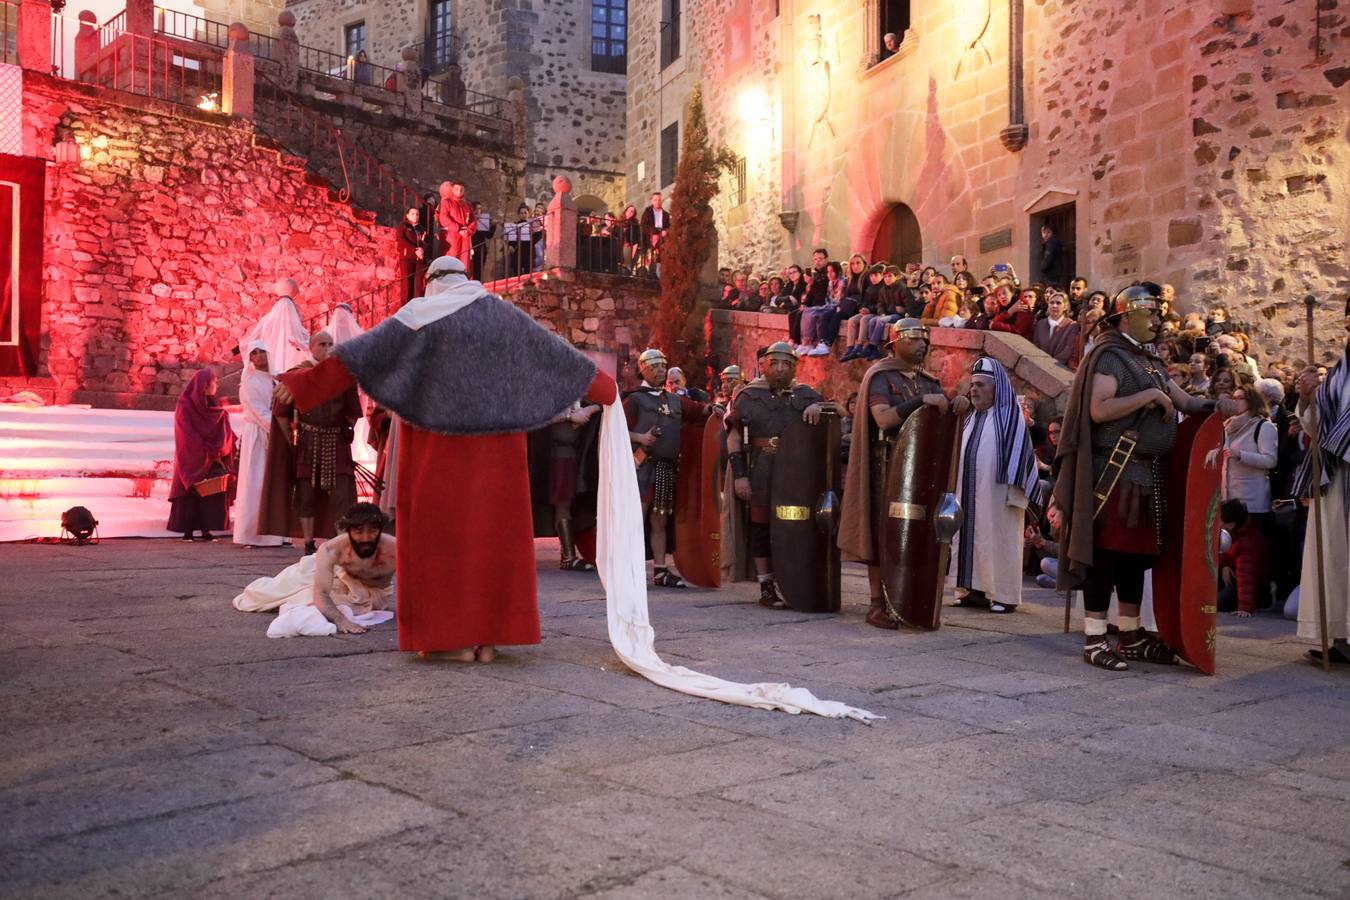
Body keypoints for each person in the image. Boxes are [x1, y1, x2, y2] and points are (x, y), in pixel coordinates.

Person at [272, 255, 618, 662]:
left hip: (438, 451)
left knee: (438, 542)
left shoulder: (417, 315)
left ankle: (449, 640)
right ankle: (489, 639)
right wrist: (608, 391)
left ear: (432, 283)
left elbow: (356, 359)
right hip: (499, 450)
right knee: (494, 539)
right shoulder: (502, 315)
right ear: (466, 281)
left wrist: (302, 383)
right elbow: (560, 359)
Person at [1054, 283, 1235, 670]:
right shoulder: (1108, 356)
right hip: (1114, 471)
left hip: (1145, 473)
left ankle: (1131, 635)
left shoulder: (1148, 361)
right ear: (1126, 316)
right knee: (1105, 556)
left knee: (1135, 560)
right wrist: (1148, 398)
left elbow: (1185, 402)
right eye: (1150, 314)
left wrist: (1219, 405)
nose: (1157, 320)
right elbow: (1100, 410)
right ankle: (1095, 638)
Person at [839, 319, 970, 629]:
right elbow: (883, 418)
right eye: (914, 340)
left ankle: (911, 597)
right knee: (881, 532)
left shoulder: (929, 381)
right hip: (885, 466)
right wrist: (919, 401)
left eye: (925, 340)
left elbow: (936, 422)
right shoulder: (881, 376)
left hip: (920, 469)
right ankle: (876, 604)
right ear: (895, 342)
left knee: (918, 533)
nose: (922, 345)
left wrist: (957, 405)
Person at [725, 342, 832, 608]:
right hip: (760, 468)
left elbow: (838, 413)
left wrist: (822, 409)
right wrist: (739, 475)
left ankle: (795, 581)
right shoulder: (748, 396)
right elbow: (734, 437)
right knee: (761, 527)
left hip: (796, 473)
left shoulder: (807, 395)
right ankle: (766, 586)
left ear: (795, 367)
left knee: (794, 526)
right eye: (775, 364)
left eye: (787, 364)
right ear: (764, 366)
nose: (781, 369)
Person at [259, 331, 362, 555]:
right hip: (308, 443)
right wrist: (291, 442)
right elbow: (281, 412)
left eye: (330, 344)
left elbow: (353, 411)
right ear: (312, 347)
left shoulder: (343, 375)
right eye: (322, 344)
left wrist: (346, 429)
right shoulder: (298, 375)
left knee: (341, 495)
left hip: (336, 443)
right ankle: (308, 543)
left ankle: (340, 542)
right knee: (306, 495)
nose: (326, 348)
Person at [952, 357, 1041, 613]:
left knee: (998, 540)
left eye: (980, 385)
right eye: (972, 385)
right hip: (968, 493)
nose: (974, 390)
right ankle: (972, 590)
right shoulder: (970, 419)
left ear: (996, 388)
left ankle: (1004, 595)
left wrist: (1017, 493)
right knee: (969, 538)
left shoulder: (1011, 419)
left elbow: (1022, 458)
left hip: (1000, 498)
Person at [232, 502, 396, 638]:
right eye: (359, 531)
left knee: (307, 599)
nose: (366, 538)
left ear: (381, 529)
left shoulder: (394, 549)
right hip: (333, 575)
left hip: (369, 593)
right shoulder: (332, 549)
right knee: (264, 594)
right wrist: (341, 620)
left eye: (372, 530)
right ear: (348, 531)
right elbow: (321, 592)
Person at [1291, 299, 1350, 665]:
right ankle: (1340, 635)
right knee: (1335, 557)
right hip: (1338, 479)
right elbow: (1317, 427)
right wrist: (1306, 395)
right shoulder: (1341, 373)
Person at [625, 348, 715, 588]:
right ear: (643, 369)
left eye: (661, 365)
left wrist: (713, 409)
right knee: (636, 519)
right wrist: (640, 437)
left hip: (665, 467)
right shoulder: (634, 399)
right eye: (653, 366)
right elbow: (614, 431)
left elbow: (698, 411)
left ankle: (661, 570)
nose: (659, 370)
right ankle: (629, 569)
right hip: (641, 465)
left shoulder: (673, 399)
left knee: (660, 521)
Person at [167, 369, 236, 542]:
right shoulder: (185, 405)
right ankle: (188, 531)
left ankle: (206, 530)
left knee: (209, 494)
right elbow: (186, 432)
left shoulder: (214, 406)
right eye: (214, 382)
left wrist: (219, 448)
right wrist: (206, 448)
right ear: (205, 386)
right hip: (192, 456)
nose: (217, 385)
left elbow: (223, 428)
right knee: (191, 493)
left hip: (211, 457)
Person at [232, 342, 286, 548]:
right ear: (250, 358)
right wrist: (279, 429)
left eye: (262, 351)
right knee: (256, 481)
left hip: (275, 430)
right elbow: (258, 411)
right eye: (254, 353)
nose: (259, 356)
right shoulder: (250, 381)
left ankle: (277, 532)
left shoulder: (277, 378)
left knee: (275, 481)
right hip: (259, 433)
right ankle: (252, 533)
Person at [1217, 499, 1269, 618]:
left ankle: (1259, 601)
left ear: (1231, 524)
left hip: (1253, 586)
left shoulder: (1248, 542)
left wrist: (1245, 608)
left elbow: (1246, 576)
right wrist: (1225, 564)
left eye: (1219, 520)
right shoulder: (1228, 533)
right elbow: (1221, 552)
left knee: (1217, 602)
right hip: (1232, 577)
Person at [1032, 292, 1080, 367]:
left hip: (1058, 368)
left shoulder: (1072, 326)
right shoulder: (1040, 324)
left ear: (1065, 306)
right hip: (1038, 365)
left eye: (1058, 303)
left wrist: (1051, 365)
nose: (1054, 305)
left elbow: (1068, 350)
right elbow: (1035, 345)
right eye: (1051, 302)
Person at [436, 181, 475, 271]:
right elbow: (443, 218)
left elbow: (473, 221)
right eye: (456, 189)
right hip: (452, 235)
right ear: (452, 190)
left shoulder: (467, 205)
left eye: (461, 189)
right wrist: (458, 229)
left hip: (464, 237)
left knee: (464, 263)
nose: (459, 191)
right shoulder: (446, 202)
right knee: (451, 260)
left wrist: (468, 231)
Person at [398, 206, 426, 303]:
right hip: (407, 258)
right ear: (407, 215)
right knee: (407, 284)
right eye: (413, 214)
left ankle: (416, 307)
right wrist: (415, 250)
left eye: (417, 214)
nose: (415, 216)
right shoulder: (403, 225)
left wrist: (422, 249)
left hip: (419, 260)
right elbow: (401, 240)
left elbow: (426, 243)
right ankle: (405, 309)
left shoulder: (422, 229)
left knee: (418, 285)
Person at [639, 192, 668, 271]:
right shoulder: (647, 212)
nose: (657, 201)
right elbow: (644, 226)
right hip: (650, 237)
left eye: (659, 200)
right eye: (655, 200)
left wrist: (665, 231)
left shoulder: (666, 214)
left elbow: (668, 227)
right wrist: (655, 233)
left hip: (663, 239)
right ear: (652, 201)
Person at [504, 205, 534, 277]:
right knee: (516, 272)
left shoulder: (532, 224)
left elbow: (536, 237)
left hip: (528, 250)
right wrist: (510, 245)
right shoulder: (515, 224)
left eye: (525, 213)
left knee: (528, 273)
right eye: (521, 213)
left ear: (528, 214)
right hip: (518, 250)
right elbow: (511, 237)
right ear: (519, 214)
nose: (523, 215)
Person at [469, 202, 494, 282]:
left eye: (479, 209)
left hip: (481, 248)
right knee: (471, 269)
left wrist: (492, 226)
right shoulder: (469, 220)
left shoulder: (483, 221)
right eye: (475, 209)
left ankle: (478, 284)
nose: (477, 211)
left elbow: (489, 236)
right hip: (471, 247)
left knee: (479, 270)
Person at [1039, 223, 1066, 288]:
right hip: (1056, 271)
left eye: (1048, 232)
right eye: (1044, 232)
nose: (1045, 235)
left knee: (1052, 288)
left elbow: (1048, 256)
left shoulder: (1051, 243)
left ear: (1052, 233)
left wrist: (1043, 267)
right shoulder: (1051, 242)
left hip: (1052, 272)